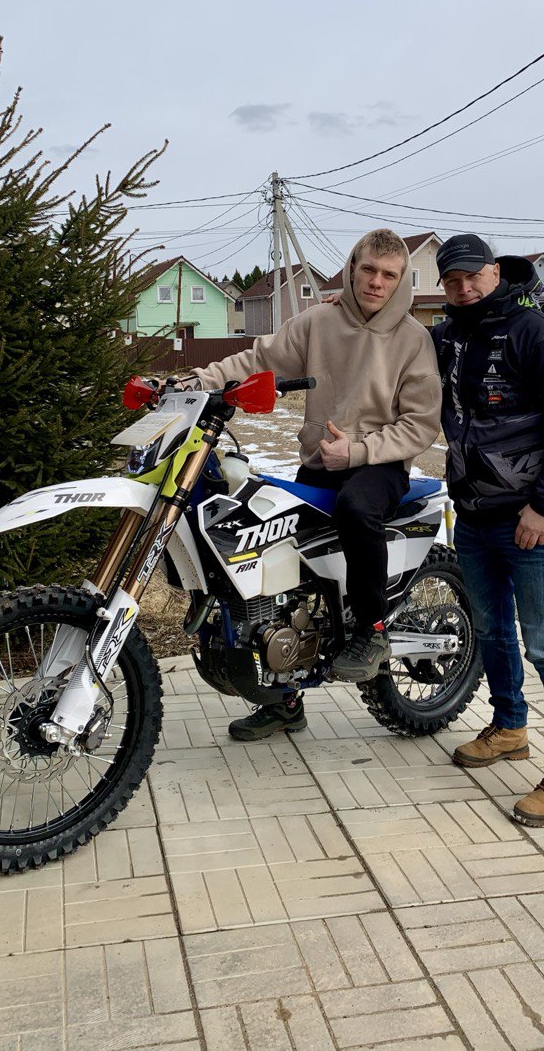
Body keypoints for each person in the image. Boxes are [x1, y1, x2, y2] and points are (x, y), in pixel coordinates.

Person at [189, 228, 441, 740]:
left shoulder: (414, 340)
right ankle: (284, 700)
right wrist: (199, 381)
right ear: (352, 268)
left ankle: (372, 630)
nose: (376, 282)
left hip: (379, 465)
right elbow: (257, 359)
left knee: (356, 509)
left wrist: (359, 451)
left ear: (400, 282)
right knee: (282, 553)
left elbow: (421, 425)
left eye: (389, 275)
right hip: (321, 460)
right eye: (368, 269)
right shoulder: (319, 321)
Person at [430, 233, 544, 826]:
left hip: (529, 521)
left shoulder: (543, 336)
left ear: (495, 272)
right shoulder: (445, 337)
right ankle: (508, 727)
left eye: (473, 276)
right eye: (453, 280)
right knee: (491, 631)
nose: (464, 288)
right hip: (473, 516)